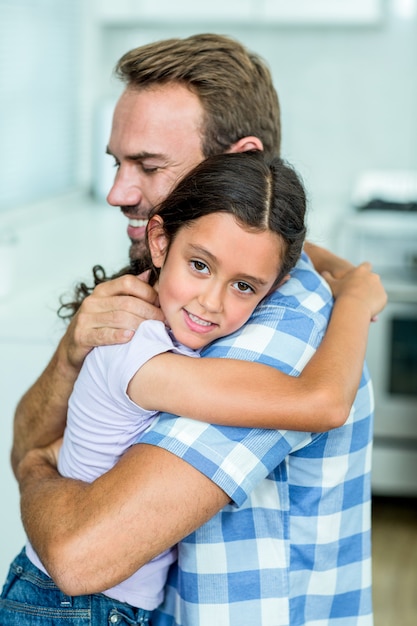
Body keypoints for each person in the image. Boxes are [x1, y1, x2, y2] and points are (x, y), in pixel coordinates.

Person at [8, 34, 386, 625]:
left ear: (239, 161)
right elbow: (26, 438)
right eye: (117, 162)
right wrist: (70, 353)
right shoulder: (175, 296)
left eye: (149, 166)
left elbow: (77, 556)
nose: (118, 193)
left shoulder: (271, 331)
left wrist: (37, 471)